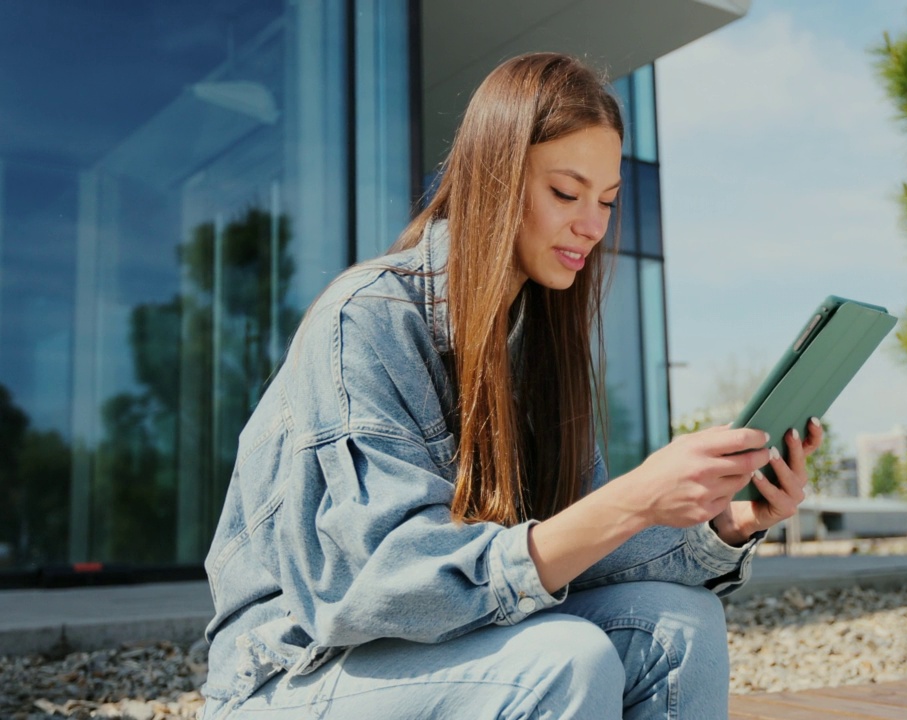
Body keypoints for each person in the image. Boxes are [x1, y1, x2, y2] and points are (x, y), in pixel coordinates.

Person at [198, 52, 822, 719]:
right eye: (566, 193)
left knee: (680, 624)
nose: (593, 224)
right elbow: (371, 587)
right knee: (563, 661)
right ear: (496, 179)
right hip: (295, 675)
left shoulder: (538, 344)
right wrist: (635, 499)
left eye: (608, 201)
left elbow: (583, 553)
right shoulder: (367, 320)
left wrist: (727, 524)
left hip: (437, 653)